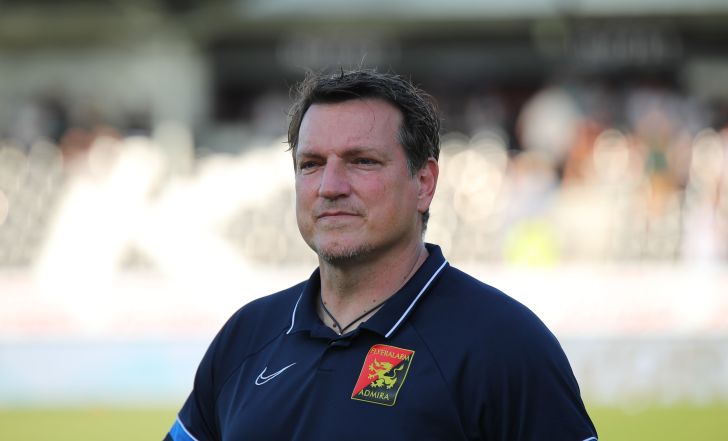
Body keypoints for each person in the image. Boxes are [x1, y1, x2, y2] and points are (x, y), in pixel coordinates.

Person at [164, 69, 598, 441]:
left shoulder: (503, 344)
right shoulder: (246, 337)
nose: (330, 187)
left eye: (362, 161)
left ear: (424, 183)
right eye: (311, 164)